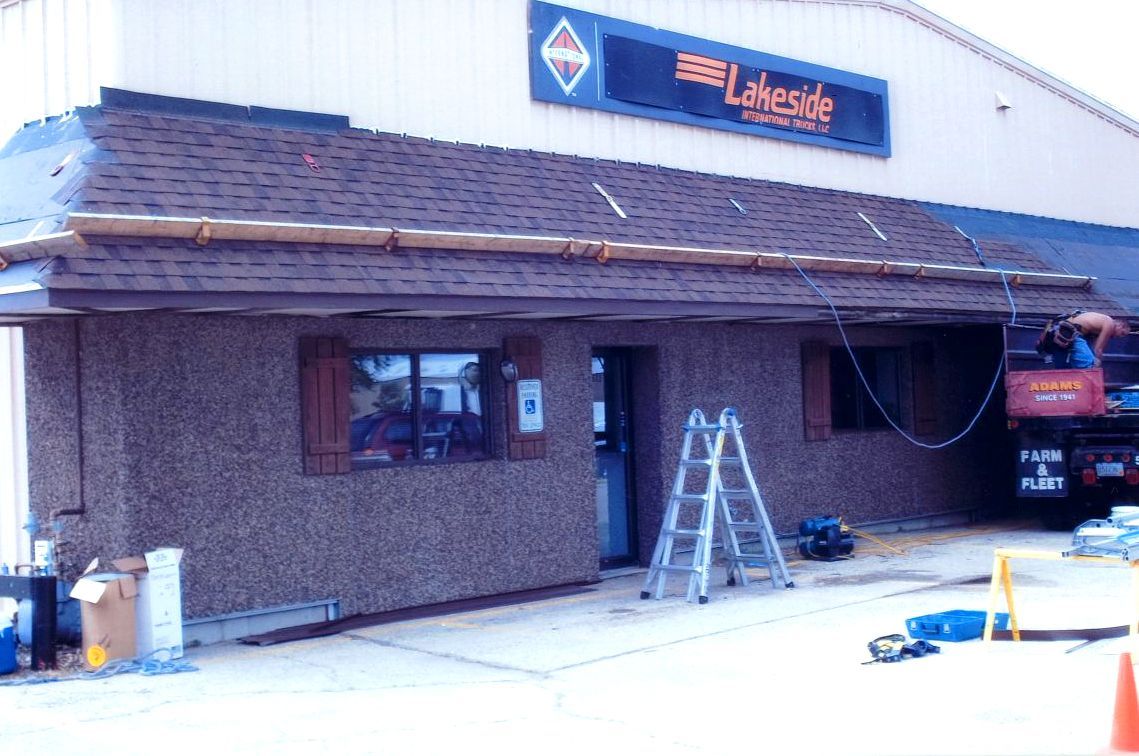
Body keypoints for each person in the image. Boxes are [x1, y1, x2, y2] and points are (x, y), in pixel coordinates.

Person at [1057, 312, 1130, 368]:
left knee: (1088, 359)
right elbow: (1098, 349)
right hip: (1072, 331)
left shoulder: (1102, 324)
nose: (1120, 336)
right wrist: (1097, 363)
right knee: (1088, 363)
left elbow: (1093, 347)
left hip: (1070, 331)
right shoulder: (1110, 324)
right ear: (1120, 326)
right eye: (1122, 333)